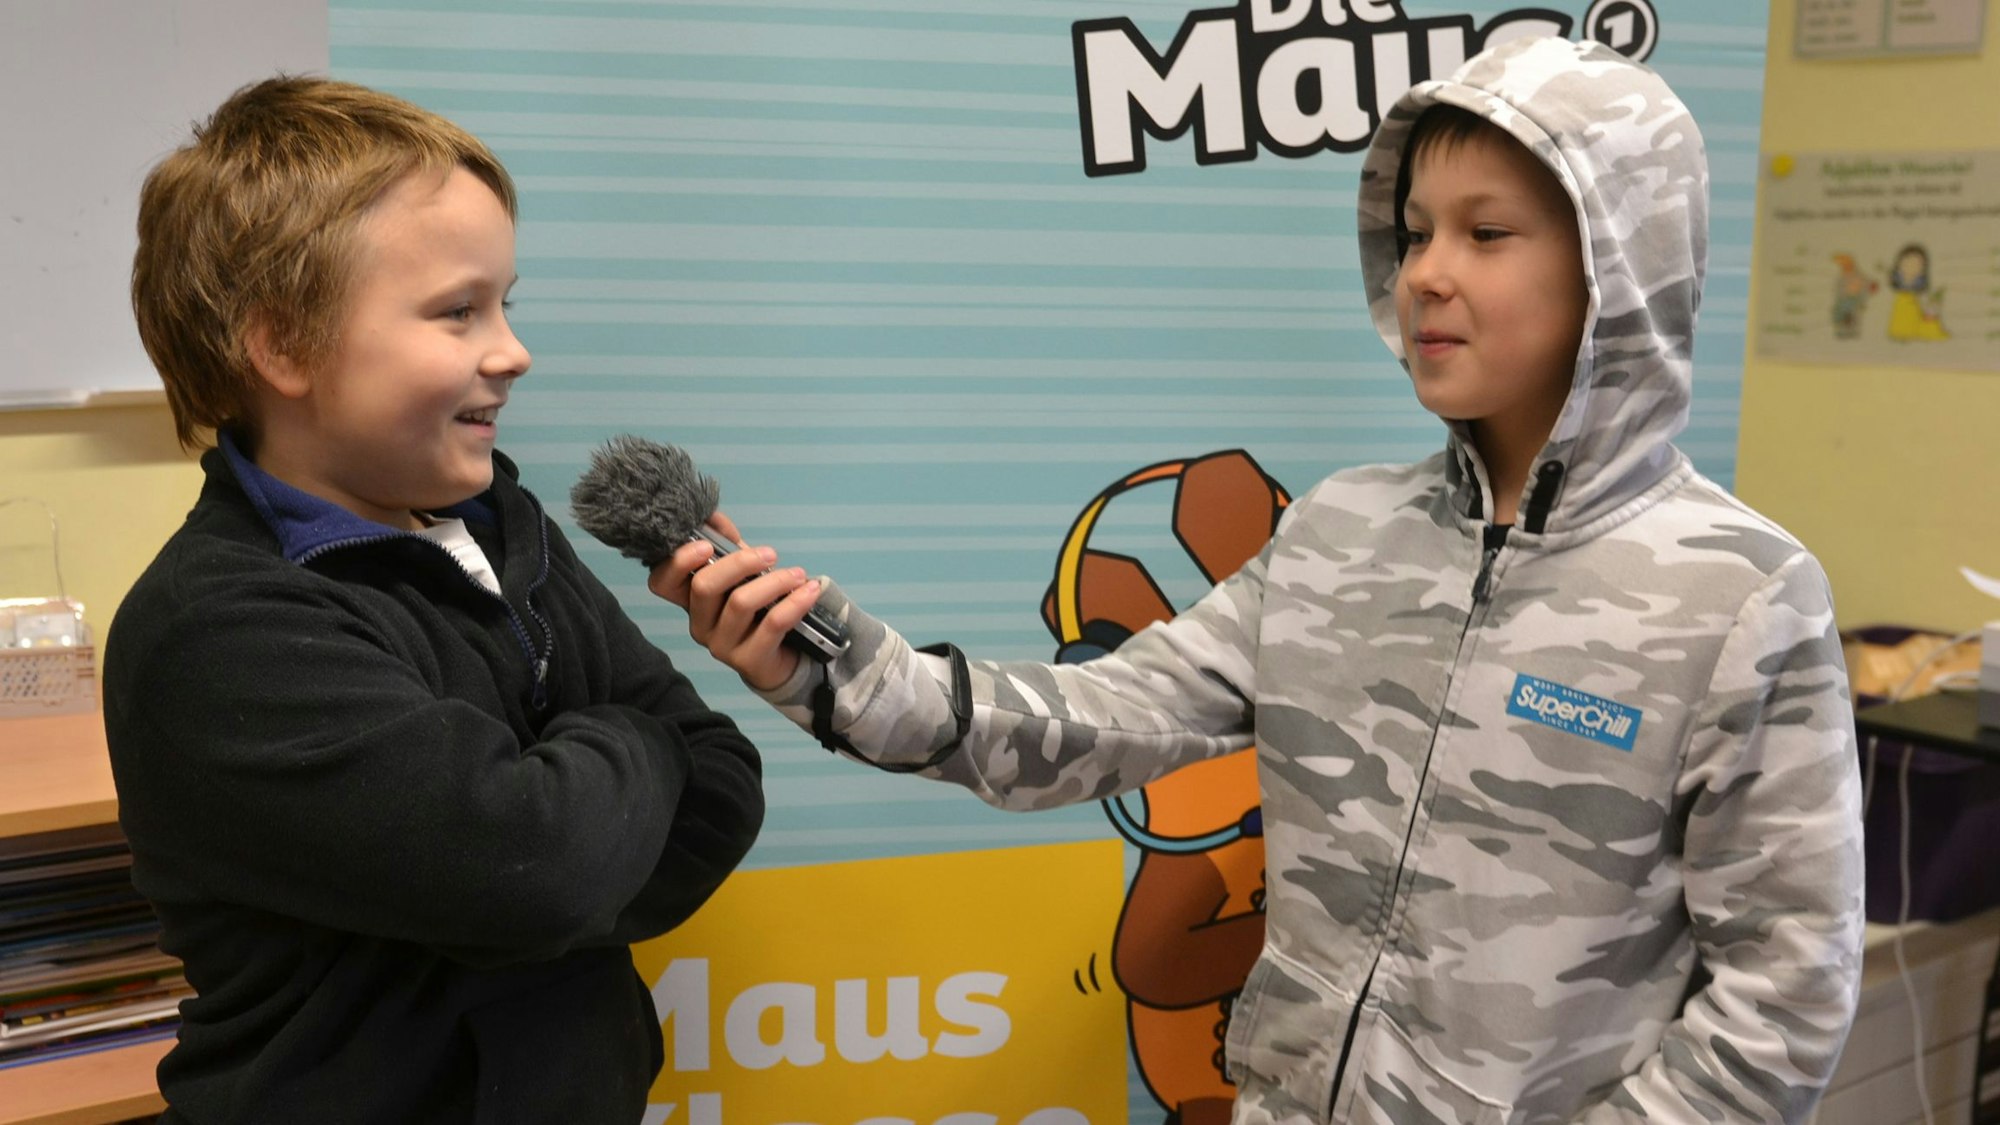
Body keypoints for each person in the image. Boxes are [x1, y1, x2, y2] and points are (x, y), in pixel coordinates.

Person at [658, 35, 1864, 1125]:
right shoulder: (1340, 529)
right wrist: (833, 667)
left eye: (1485, 234)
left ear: (1620, 265)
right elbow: (1105, 718)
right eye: (1414, 232)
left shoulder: (1740, 596)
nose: (1426, 274)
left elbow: (1783, 997)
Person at [105, 76, 764, 1124]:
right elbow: (537, 870)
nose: (512, 351)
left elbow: (721, 786)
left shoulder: (506, 529)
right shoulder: (220, 631)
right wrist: (625, 756)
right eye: (458, 311)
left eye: (506, 303)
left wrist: (562, 829)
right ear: (281, 345)